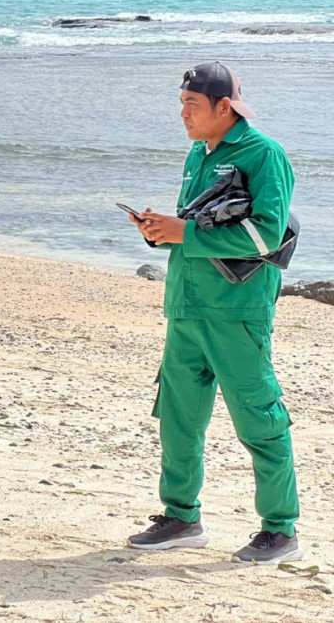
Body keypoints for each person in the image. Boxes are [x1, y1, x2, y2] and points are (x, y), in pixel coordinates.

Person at [126, 62, 301, 565]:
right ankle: (181, 518)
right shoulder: (198, 153)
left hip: (236, 312)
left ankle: (280, 529)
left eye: (192, 105)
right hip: (185, 306)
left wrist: (185, 233)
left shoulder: (264, 154)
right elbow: (193, 227)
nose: (183, 114)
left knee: (258, 418)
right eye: (181, 103)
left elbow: (266, 234)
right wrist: (160, 231)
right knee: (178, 418)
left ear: (224, 107)